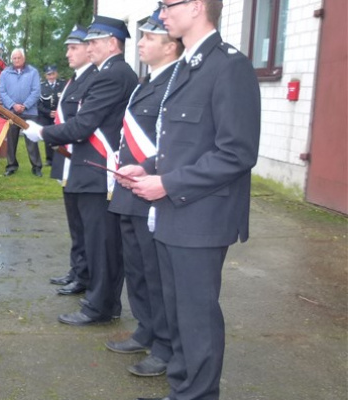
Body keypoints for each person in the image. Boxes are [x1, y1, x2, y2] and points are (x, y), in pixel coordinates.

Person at [122, 1, 261, 399]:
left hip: (203, 216)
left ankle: (198, 394)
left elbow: (236, 152)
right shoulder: (186, 65)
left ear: (198, 6)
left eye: (169, 4)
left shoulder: (228, 66)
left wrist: (165, 183)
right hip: (173, 212)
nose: (162, 12)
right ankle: (182, 386)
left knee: (196, 317)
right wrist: (146, 167)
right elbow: (181, 142)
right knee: (179, 313)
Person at [22, 15, 137, 326]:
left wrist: (43, 134)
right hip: (90, 171)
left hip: (98, 172)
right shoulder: (111, 72)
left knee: (102, 245)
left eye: (93, 42)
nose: (88, 47)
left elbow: (85, 124)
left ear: (112, 44)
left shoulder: (113, 74)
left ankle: (100, 306)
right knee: (97, 241)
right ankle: (102, 302)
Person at [105, 10, 183, 380]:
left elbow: (174, 143)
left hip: (153, 191)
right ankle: (146, 328)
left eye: (150, 38)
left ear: (170, 46)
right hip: (129, 190)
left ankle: (166, 345)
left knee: (156, 273)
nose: (142, 44)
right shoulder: (145, 82)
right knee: (136, 270)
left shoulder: (177, 82)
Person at [43, 25, 95, 299]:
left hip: (81, 157)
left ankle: (84, 275)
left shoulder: (93, 79)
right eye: (68, 48)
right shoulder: (73, 80)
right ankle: (77, 269)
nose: (68, 53)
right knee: (74, 222)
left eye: (73, 48)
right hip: (68, 157)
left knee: (84, 223)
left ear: (90, 49)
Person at [0, 48, 42, 177]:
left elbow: (36, 91)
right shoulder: (5, 73)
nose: (17, 60)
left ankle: (36, 166)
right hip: (11, 112)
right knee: (11, 140)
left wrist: (25, 105)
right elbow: (2, 92)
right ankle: (11, 166)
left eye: (19, 58)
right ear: (12, 60)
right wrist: (13, 105)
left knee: (32, 139)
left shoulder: (33, 72)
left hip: (29, 111)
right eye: (14, 58)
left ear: (24, 58)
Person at [37, 65, 66, 166]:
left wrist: (58, 112)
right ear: (46, 76)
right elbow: (38, 104)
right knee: (48, 137)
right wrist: (48, 112)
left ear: (56, 74)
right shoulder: (41, 86)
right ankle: (49, 159)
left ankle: (60, 157)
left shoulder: (63, 85)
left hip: (59, 115)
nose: (51, 76)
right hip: (46, 116)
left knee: (60, 136)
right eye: (49, 74)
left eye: (53, 74)